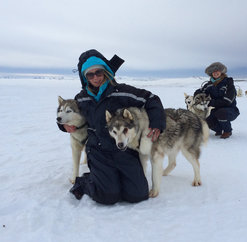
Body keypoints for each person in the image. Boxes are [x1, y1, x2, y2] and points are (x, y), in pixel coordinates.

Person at [58, 49, 166, 205]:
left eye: (99, 73)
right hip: (98, 150)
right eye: (90, 74)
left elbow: (151, 99)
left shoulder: (121, 92)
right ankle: (85, 182)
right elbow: (68, 116)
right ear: (84, 77)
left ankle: (113, 179)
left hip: (124, 150)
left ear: (106, 72)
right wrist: (63, 127)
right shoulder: (81, 99)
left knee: (138, 195)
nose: (95, 77)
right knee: (107, 196)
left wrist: (157, 123)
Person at [194, 62, 240, 139]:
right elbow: (199, 91)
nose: (215, 73)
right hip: (215, 110)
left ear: (221, 72)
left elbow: (227, 101)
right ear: (211, 74)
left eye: (217, 71)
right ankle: (219, 129)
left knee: (221, 113)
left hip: (230, 110)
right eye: (213, 72)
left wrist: (210, 102)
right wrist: (197, 97)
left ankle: (227, 131)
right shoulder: (209, 84)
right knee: (207, 123)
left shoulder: (228, 83)